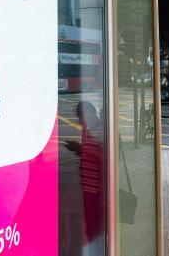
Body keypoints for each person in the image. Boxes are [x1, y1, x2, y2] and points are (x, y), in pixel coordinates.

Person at [66, 101, 104, 251]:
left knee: (96, 227)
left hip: (97, 188)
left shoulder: (101, 130)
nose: (80, 121)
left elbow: (104, 157)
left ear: (90, 113)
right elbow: (90, 153)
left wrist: (82, 150)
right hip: (87, 186)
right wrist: (79, 151)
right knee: (90, 226)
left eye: (82, 118)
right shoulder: (88, 130)